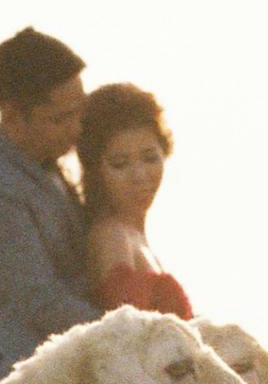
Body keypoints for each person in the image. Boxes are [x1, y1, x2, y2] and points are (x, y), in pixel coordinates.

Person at [0, 27, 102, 382]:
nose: (76, 129)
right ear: (12, 115)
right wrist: (129, 330)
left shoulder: (47, 165)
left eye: (78, 114)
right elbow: (42, 302)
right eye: (60, 119)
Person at [78, 83, 190, 317]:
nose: (139, 176)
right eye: (120, 164)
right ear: (96, 169)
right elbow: (128, 337)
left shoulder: (132, 232)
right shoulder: (112, 235)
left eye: (150, 158)